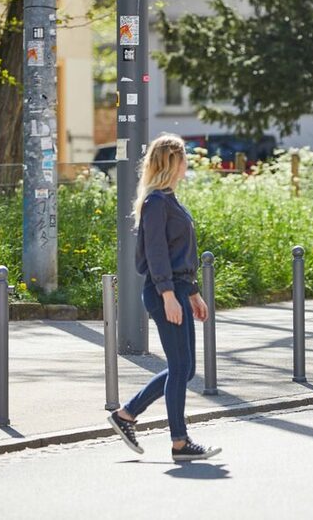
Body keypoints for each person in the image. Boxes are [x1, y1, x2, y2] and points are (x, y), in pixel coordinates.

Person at [107, 133, 221, 461]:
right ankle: (179, 442)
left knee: (183, 369)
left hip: (180, 291)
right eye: (184, 159)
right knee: (181, 366)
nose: (187, 165)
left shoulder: (168, 199)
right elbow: (156, 253)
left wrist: (193, 293)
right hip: (164, 293)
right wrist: (169, 294)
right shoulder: (156, 201)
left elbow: (178, 252)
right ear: (172, 162)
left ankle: (127, 414)